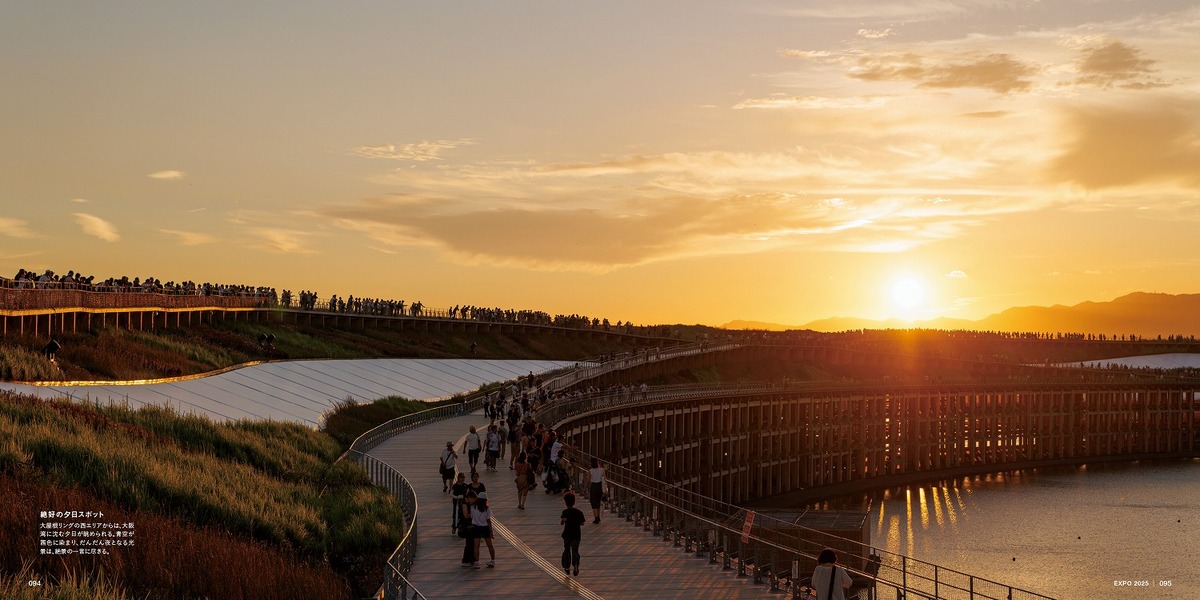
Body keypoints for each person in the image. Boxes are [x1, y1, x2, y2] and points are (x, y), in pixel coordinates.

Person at [559, 491, 586, 576]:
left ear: (566, 502)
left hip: (567, 534)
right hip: (576, 534)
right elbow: (582, 523)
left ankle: (567, 567)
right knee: (575, 550)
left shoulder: (565, 512)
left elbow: (562, 522)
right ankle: (576, 564)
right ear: (574, 501)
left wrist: (564, 521)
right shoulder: (578, 512)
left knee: (567, 550)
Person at [471, 492, 496, 568]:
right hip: (485, 528)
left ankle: (477, 562)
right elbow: (489, 521)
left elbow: (472, 517)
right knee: (490, 545)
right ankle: (492, 560)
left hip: (476, 527)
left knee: (476, 546)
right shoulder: (487, 508)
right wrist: (491, 531)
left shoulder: (473, 507)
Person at [587, 457, 605, 524]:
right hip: (600, 486)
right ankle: (598, 516)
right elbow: (604, 480)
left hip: (593, 486)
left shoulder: (590, 471)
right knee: (598, 502)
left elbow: (588, 481)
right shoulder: (602, 470)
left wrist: (586, 488)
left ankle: (596, 518)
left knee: (593, 503)